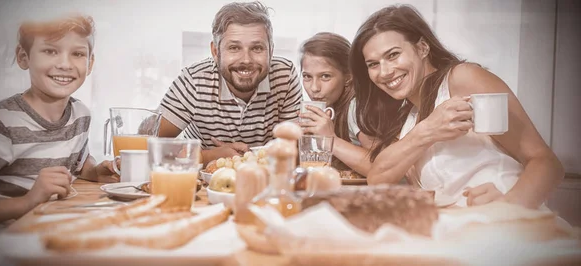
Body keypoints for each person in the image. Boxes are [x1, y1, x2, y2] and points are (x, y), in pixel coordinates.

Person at [349, 5, 563, 208]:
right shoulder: (410, 116)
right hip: (461, 233)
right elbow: (378, 177)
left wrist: (509, 206)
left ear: (422, 48)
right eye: (373, 64)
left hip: (511, 230)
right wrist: (427, 131)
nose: (384, 72)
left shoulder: (462, 79)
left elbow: (546, 163)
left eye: (393, 55)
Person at [0, 14, 119, 231]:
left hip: (52, 233)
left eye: (77, 54)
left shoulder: (80, 115)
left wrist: (95, 171)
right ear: (23, 57)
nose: (65, 64)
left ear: (90, 63)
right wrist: (28, 202)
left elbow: (79, 164)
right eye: (50, 51)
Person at [157, 1, 302, 164]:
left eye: (257, 48)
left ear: (271, 51)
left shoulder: (285, 75)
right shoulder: (194, 80)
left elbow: (295, 150)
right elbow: (146, 145)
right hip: (202, 186)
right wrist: (208, 156)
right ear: (215, 52)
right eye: (234, 48)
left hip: (265, 183)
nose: (246, 60)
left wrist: (245, 159)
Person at [297, 32, 373, 177]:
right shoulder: (331, 106)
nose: (314, 88)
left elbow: (379, 166)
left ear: (348, 77)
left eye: (325, 76)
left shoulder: (357, 106)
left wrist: (330, 139)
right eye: (307, 77)